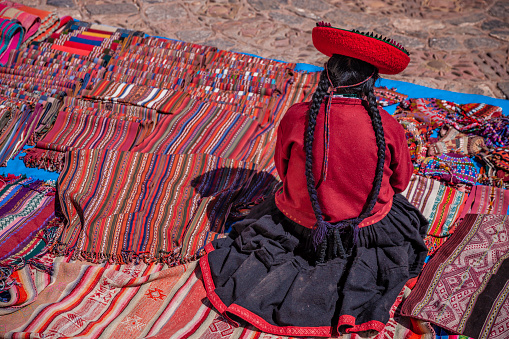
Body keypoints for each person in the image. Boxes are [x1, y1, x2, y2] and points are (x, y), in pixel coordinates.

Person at [199, 22, 429, 337]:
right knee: (399, 213)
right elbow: (400, 181)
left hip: (299, 219)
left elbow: (282, 169)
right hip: (363, 228)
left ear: (326, 75)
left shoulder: (297, 116)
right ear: (370, 83)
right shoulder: (388, 127)